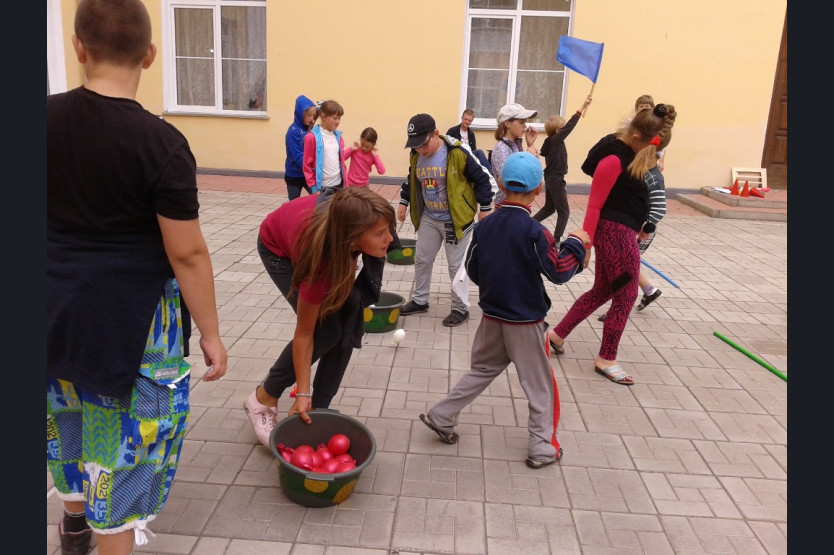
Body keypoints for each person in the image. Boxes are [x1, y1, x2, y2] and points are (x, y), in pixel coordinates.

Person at [46, 1, 229, 554]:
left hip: (52, 309)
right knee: (121, 457)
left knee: (65, 419)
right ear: (149, 55)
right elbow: (187, 253)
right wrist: (211, 334)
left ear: (79, 47)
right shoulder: (162, 144)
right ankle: (105, 533)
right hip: (135, 324)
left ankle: (73, 525)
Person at [418, 151, 589, 469]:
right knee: (540, 387)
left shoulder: (484, 226)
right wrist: (576, 245)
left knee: (481, 371)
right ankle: (542, 447)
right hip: (525, 323)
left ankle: (441, 415)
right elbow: (559, 272)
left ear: (499, 182)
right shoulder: (536, 232)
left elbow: (473, 269)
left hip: (492, 317)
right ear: (539, 190)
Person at [247, 187, 395, 445]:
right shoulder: (319, 262)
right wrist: (302, 392)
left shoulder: (353, 230)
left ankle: (318, 409)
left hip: (326, 238)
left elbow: (348, 261)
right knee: (324, 330)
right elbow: (305, 333)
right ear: (352, 237)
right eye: (380, 233)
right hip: (277, 248)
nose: (390, 239)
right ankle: (263, 397)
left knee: (346, 317)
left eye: (388, 230)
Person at [547, 104, 678, 386]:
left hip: (621, 231)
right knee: (626, 295)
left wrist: (641, 220)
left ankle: (555, 336)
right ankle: (606, 358)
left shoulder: (629, 152)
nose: (654, 157)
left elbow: (626, 196)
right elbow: (594, 205)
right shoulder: (613, 159)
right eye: (653, 150)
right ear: (636, 138)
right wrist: (586, 245)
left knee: (603, 290)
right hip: (615, 234)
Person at [397, 113, 495, 327]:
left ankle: (460, 308)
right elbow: (412, 178)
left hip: (455, 219)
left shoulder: (457, 153)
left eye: (423, 144)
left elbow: (482, 179)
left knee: (456, 267)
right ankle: (420, 300)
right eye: (415, 146)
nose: (420, 150)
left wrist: (485, 207)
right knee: (422, 259)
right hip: (429, 217)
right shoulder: (416, 154)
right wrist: (404, 201)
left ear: (436, 134)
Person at [598, 131, 671, 322]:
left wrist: (645, 228)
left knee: (623, 270)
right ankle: (648, 291)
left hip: (641, 231)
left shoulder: (654, 178)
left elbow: (660, 209)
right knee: (626, 267)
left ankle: (619, 306)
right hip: (630, 228)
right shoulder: (643, 173)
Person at [532, 95, 593, 244]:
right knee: (564, 212)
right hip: (555, 178)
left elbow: (543, 152)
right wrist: (583, 106)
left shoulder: (549, 140)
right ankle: (557, 240)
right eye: (563, 128)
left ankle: (528, 224)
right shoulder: (557, 139)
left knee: (549, 208)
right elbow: (571, 124)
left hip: (551, 178)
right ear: (559, 130)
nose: (565, 130)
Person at [491, 103, 540, 208]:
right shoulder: (501, 148)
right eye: (521, 122)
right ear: (507, 123)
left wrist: (530, 144)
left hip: (519, 202)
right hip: (507, 205)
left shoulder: (516, 144)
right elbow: (509, 179)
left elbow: (534, 173)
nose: (525, 126)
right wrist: (528, 157)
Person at [303, 99, 347, 199]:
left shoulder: (338, 137)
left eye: (339, 118)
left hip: (339, 185)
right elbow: (306, 165)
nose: (338, 122)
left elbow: (341, 163)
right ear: (323, 116)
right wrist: (314, 188)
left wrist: (345, 184)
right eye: (335, 118)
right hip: (322, 187)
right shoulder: (311, 137)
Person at [284, 95, 318, 200]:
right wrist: (312, 166)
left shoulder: (310, 129)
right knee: (294, 204)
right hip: (294, 175)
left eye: (313, 116)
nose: (312, 119)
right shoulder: (293, 131)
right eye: (309, 116)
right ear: (301, 115)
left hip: (308, 175)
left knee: (318, 198)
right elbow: (298, 156)